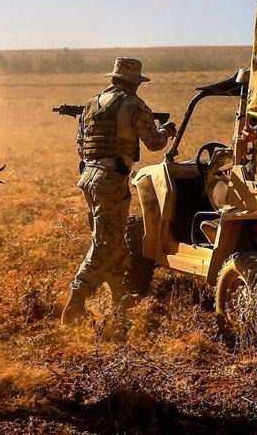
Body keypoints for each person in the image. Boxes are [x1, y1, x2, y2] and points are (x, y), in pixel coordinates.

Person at [62, 57, 176, 325]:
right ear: (135, 82)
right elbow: (155, 143)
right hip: (111, 181)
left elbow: (81, 145)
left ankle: (119, 306)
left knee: (117, 242)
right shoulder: (135, 104)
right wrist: (166, 130)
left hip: (89, 177)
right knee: (106, 243)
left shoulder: (91, 105)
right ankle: (76, 302)